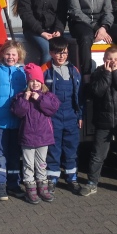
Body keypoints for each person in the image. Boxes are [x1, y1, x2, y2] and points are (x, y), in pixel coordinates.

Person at [78, 45, 117, 197]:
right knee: (98, 155)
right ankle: (92, 183)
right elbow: (97, 91)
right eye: (109, 59)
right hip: (103, 122)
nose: (113, 62)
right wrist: (108, 74)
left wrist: (115, 73)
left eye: (116, 59)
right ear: (104, 60)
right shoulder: (97, 74)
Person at [0, 41, 27, 200]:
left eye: (14, 54)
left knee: (15, 154)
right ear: (2, 55)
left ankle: (14, 184)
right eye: (7, 54)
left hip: (17, 121)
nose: (11, 57)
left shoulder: (22, 73)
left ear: (19, 56)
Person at [12, 63, 61, 204]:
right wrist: (25, 99)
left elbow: (52, 109)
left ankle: (43, 188)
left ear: (42, 82)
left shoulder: (48, 96)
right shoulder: (21, 96)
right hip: (27, 137)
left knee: (41, 164)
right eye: (31, 81)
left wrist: (38, 98)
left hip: (43, 137)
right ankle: (30, 189)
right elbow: (18, 112)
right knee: (28, 164)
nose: (34, 84)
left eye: (37, 81)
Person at [42, 36, 84, 194]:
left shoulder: (74, 70)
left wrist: (80, 115)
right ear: (51, 53)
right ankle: (52, 178)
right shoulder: (44, 70)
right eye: (58, 53)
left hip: (71, 116)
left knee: (71, 148)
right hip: (53, 117)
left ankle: (72, 178)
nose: (61, 56)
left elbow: (79, 95)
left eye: (64, 53)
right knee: (54, 148)